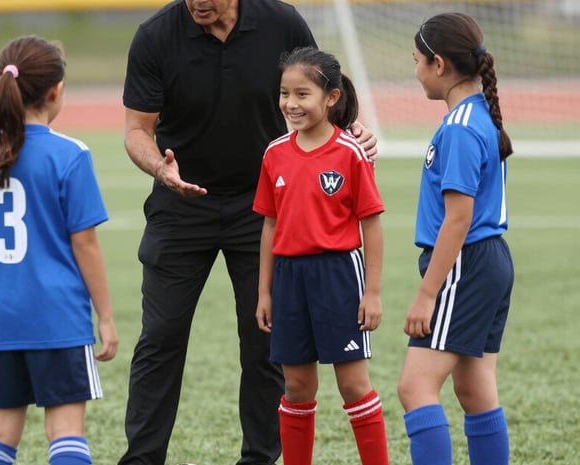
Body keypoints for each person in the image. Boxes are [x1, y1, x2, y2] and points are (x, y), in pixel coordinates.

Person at [120, 1, 377, 464]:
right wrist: (160, 168)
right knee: (160, 337)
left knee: (264, 342)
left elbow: (317, 86)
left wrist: (351, 130)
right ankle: (142, 459)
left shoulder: (281, 22)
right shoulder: (155, 35)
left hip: (265, 207)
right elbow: (137, 129)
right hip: (179, 204)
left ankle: (259, 458)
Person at [0, 35, 118, 465]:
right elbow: (84, 243)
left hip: (0, 317)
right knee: (65, 432)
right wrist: (105, 317)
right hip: (58, 316)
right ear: (56, 91)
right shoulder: (70, 154)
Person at [253, 46, 389, 465]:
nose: (290, 104)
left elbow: (371, 223)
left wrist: (373, 292)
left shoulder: (351, 152)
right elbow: (270, 225)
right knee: (296, 385)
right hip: (289, 278)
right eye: (284, 93)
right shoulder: (274, 153)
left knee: (352, 384)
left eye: (302, 94)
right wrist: (265, 292)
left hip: (339, 275)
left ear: (331, 98)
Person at [396, 12, 514, 465]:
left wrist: (428, 295)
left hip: (465, 262)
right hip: (489, 261)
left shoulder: (463, 126)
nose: (416, 70)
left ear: (439, 64)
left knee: (415, 387)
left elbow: (458, 218)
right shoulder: (480, 113)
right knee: (474, 387)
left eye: (416, 61)